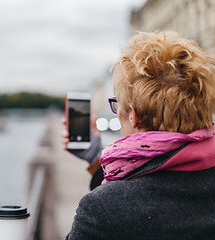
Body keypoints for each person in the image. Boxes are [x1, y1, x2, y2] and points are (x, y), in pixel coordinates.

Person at [62, 31, 215, 240]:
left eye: (118, 105)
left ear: (133, 115)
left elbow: (126, 201)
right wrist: (96, 160)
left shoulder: (101, 209)